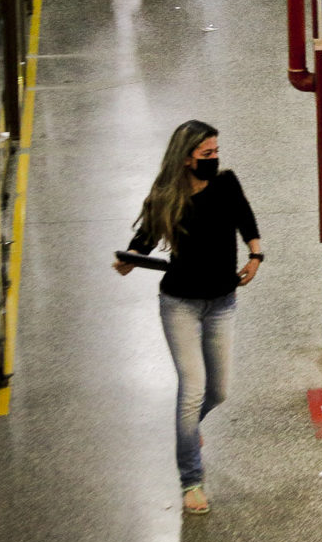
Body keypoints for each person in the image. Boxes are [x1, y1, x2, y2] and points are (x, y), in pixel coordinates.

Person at [113, 121, 264, 516]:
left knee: (219, 391)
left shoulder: (227, 184)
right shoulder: (167, 196)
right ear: (185, 158)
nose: (214, 160)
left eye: (216, 153)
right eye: (206, 155)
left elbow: (244, 218)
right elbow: (145, 237)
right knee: (192, 386)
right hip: (179, 302)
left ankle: (188, 431)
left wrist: (255, 254)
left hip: (222, 300)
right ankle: (191, 480)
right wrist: (129, 258)